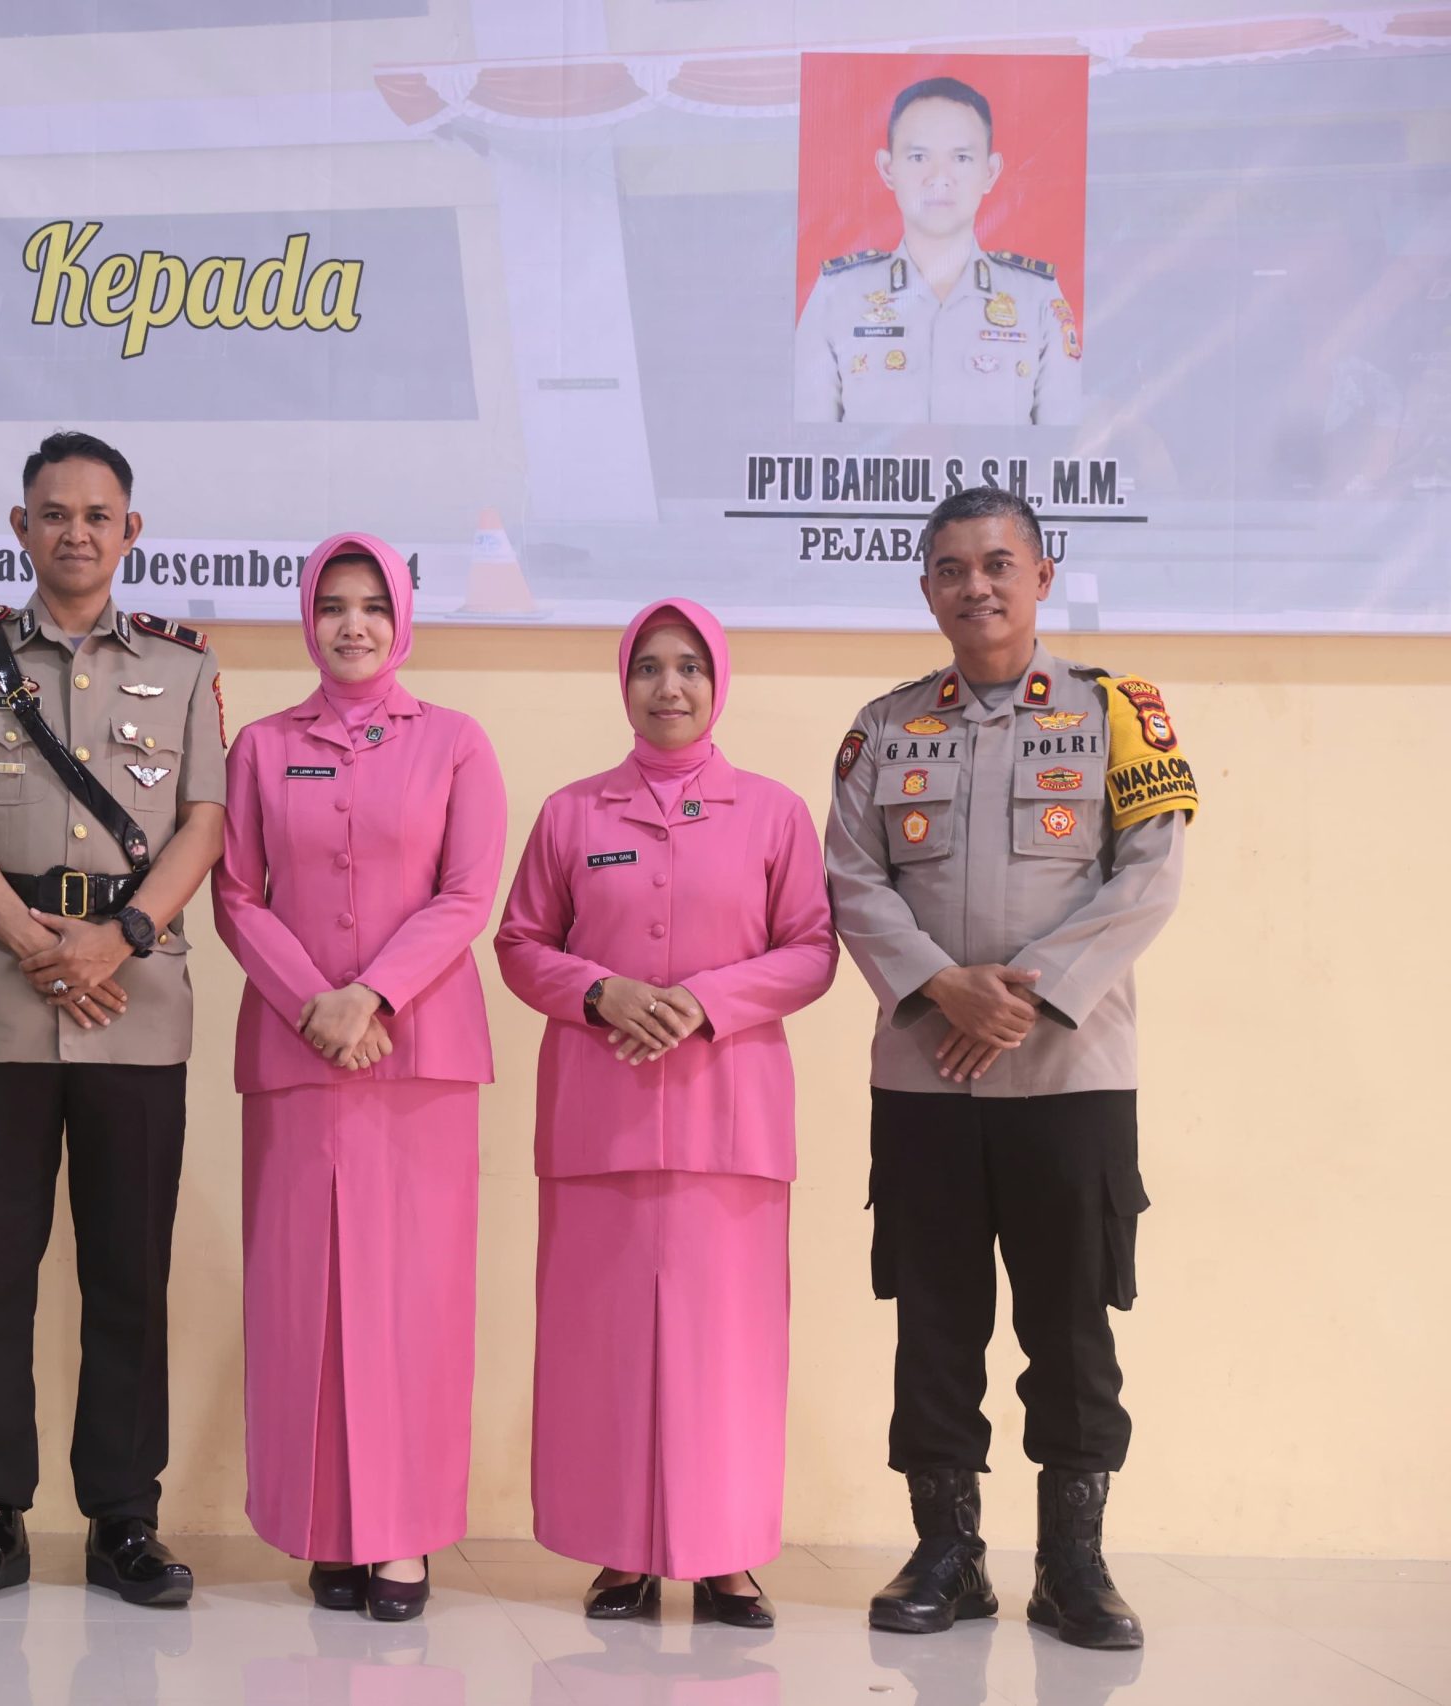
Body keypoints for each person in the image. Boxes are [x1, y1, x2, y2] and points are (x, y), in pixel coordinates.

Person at [827, 486, 1197, 1651]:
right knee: (934, 1320)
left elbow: (1150, 873)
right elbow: (851, 879)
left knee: (1071, 1325)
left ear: (1041, 574)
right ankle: (946, 1553)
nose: (974, 585)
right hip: (924, 1080)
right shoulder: (885, 727)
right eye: (950, 568)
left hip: (1069, 1076)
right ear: (925, 589)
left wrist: (1019, 996)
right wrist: (946, 986)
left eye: (996, 564)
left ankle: (1073, 1564)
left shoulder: (1119, 711)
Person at [0, 431, 227, 1606]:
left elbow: (203, 821)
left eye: (97, 514)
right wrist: (37, 944)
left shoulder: (183, 666)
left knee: (128, 1273)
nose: (75, 531)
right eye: (53, 512)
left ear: (129, 531)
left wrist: (116, 937)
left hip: (134, 1004)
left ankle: (124, 1515)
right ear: (20, 526)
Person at [494, 598, 836, 1629]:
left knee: (724, 1350)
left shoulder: (773, 812)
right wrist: (600, 992)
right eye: (648, 666)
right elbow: (518, 943)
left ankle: (726, 1558)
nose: (670, 686)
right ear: (624, 683)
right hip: (597, 1123)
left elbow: (812, 949)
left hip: (729, 1124)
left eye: (690, 666)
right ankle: (621, 1553)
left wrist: (704, 1000)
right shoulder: (571, 814)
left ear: (717, 682)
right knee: (602, 1343)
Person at [211, 533, 505, 1622]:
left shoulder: (456, 743)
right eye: (332, 605)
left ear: (403, 618)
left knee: (411, 1302)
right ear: (307, 618)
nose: (352, 624)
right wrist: (314, 1003)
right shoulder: (260, 747)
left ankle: (403, 1535)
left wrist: (370, 996)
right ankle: (326, 1528)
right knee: (304, 1298)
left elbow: (466, 893)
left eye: (373, 605)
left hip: (418, 1055)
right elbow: (237, 894)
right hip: (297, 1058)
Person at [794, 75, 1079, 426]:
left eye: (961, 158)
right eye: (918, 157)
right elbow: (808, 446)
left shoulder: (1036, 298)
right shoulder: (838, 296)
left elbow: (1063, 445)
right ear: (888, 169)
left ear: (990, 172)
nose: (939, 177)